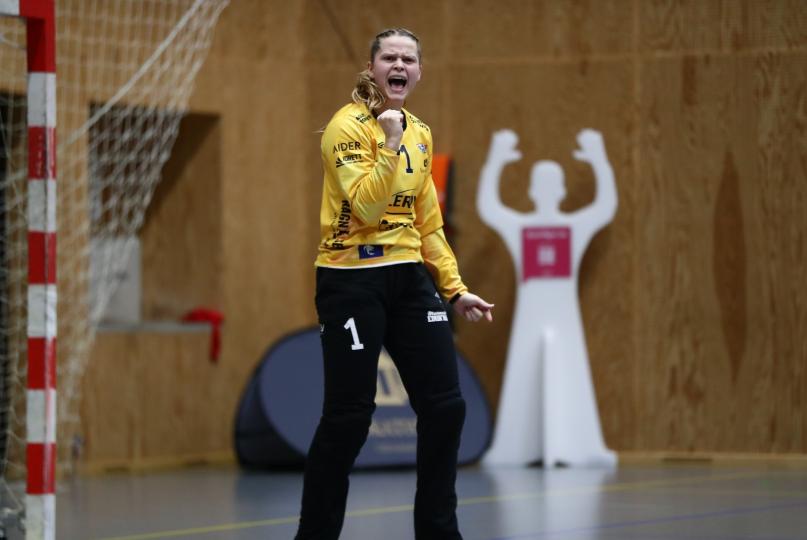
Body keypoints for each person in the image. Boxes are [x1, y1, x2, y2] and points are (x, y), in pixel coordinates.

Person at [295, 28, 494, 540]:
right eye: (389, 57)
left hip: (408, 278)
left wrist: (454, 288)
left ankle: (438, 533)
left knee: (446, 407)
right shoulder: (346, 126)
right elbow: (366, 207)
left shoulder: (421, 133)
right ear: (372, 67)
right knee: (349, 417)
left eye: (409, 58)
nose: (399, 65)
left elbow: (428, 223)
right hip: (350, 280)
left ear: (419, 72)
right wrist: (388, 143)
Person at [478, 128, 617, 467]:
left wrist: (598, 159)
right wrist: (496, 160)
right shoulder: (520, 228)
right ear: (530, 191)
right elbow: (489, 208)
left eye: (553, 185)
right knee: (521, 368)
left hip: (565, 319)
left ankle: (586, 445)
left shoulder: (573, 228)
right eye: (541, 185)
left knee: (573, 369)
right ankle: (511, 447)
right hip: (529, 319)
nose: (547, 192)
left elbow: (604, 207)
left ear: (563, 191)